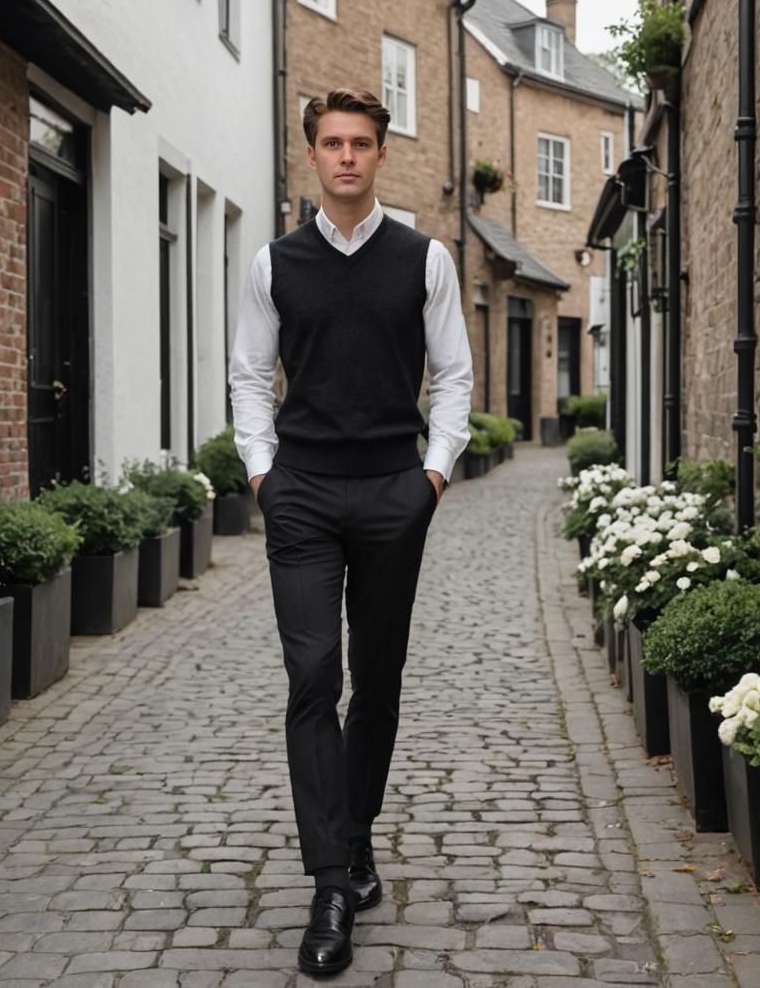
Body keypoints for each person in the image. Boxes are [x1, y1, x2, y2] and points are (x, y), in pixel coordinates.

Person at [228, 87, 474, 975]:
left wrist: (433, 477)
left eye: (360, 144)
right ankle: (332, 880)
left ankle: (357, 838)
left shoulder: (424, 260)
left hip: (390, 495)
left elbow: (453, 377)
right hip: (299, 494)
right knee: (311, 677)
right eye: (331, 143)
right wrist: (262, 474)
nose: (345, 157)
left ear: (380, 156)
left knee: (376, 679)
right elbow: (250, 375)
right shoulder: (273, 265)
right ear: (312, 155)